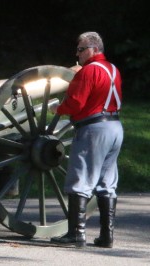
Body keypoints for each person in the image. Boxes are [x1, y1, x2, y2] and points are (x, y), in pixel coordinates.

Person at [50, 32, 123, 248]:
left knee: (80, 178)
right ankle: (106, 236)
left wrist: (58, 109)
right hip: (115, 126)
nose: (77, 54)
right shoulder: (113, 69)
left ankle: (76, 233)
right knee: (107, 182)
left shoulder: (88, 71)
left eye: (81, 49)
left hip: (94, 128)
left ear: (93, 48)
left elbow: (75, 103)